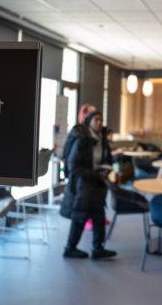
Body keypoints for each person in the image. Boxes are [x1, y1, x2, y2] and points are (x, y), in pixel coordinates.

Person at [60, 111, 116, 260]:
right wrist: (95, 174)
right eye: (96, 119)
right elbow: (73, 166)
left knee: (99, 216)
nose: (99, 122)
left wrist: (105, 168)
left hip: (97, 183)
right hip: (83, 184)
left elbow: (106, 158)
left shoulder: (101, 138)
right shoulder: (82, 139)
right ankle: (70, 248)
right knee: (80, 216)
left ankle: (98, 248)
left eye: (101, 120)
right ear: (89, 121)